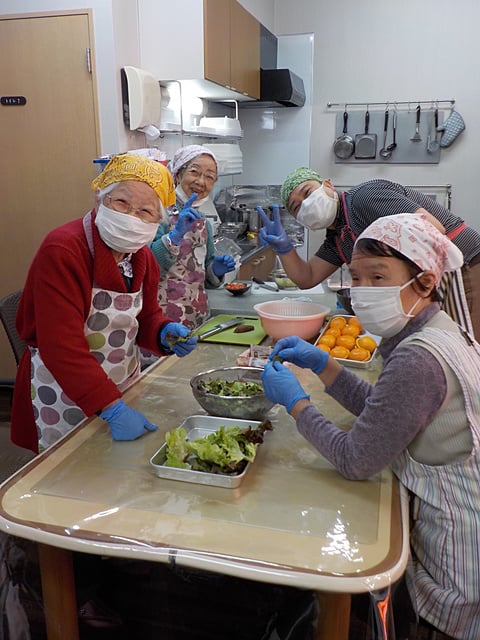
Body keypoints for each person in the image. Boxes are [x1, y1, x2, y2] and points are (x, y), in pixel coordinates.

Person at [261, 213, 480, 640]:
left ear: (426, 280)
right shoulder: (436, 329)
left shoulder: (418, 358)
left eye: (378, 277)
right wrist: (325, 367)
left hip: (460, 545)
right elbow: (387, 412)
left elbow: (356, 458)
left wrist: (296, 402)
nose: (363, 292)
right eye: (356, 278)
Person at [11, 153, 197, 454]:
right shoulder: (63, 250)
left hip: (121, 385)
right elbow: (61, 346)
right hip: (65, 390)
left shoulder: (142, 256)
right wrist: (111, 408)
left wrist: (162, 333)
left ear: (159, 220)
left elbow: (145, 317)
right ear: (101, 199)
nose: (131, 217)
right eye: (121, 203)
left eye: (146, 210)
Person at [257, 168, 480, 339]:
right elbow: (307, 277)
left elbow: (431, 229)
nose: (305, 205)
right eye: (297, 208)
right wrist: (284, 248)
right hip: (438, 281)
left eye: (307, 192)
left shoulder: (364, 198)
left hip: (468, 264)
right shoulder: (339, 236)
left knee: (467, 349)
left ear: (328, 185)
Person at [149, 145, 236, 330]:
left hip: (197, 317)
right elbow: (147, 266)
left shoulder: (203, 222)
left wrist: (216, 270)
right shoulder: (157, 213)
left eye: (209, 176)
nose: (201, 181)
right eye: (194, 172)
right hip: (162, 321)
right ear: (178, 173)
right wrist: (174, 236)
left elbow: (205, 275)